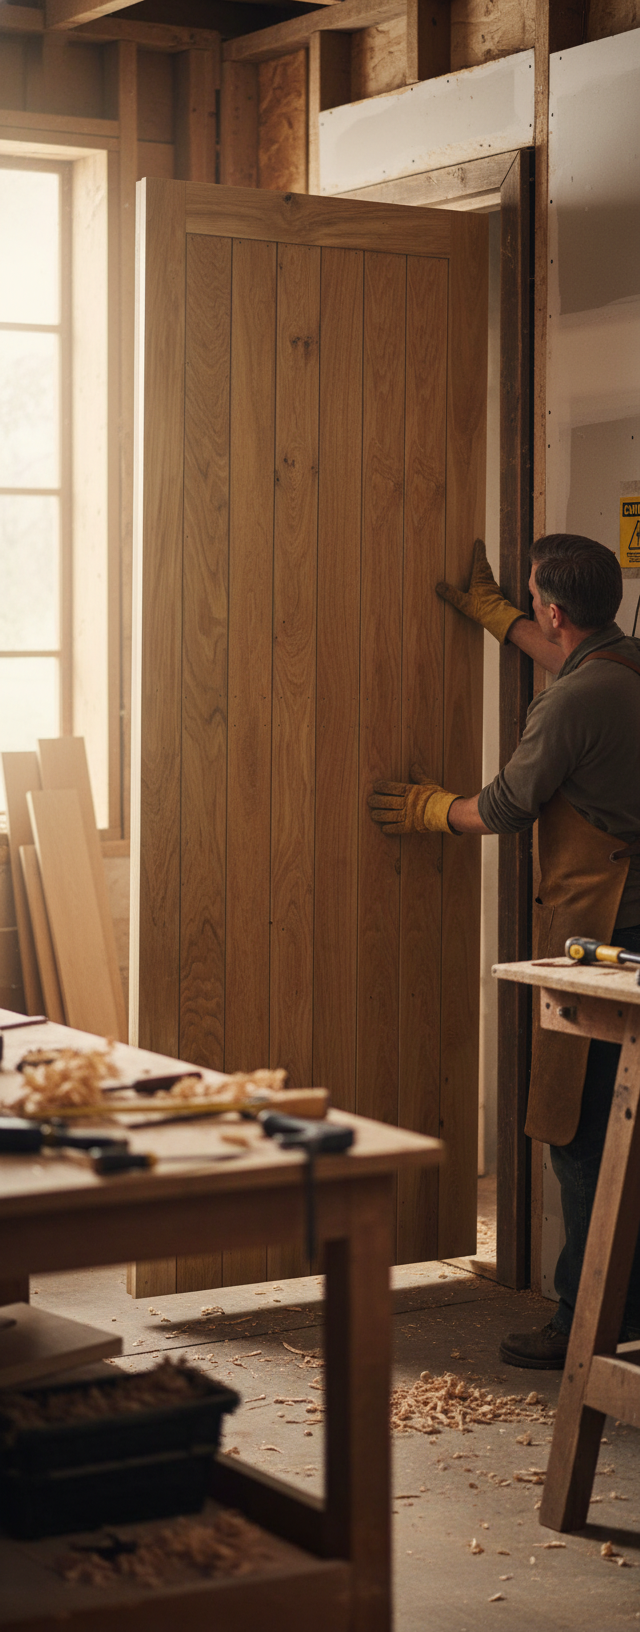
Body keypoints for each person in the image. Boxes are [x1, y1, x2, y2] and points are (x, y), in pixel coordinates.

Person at [369, 534, 640, 1369]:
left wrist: (428, 810)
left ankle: (582, 1322)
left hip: (601, 935)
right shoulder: (625, 665)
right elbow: (571, 659)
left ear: (556, 611)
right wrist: (500, 619)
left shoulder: (570, 703)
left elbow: (507, 806)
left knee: (581, 1129)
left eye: (530, 603)